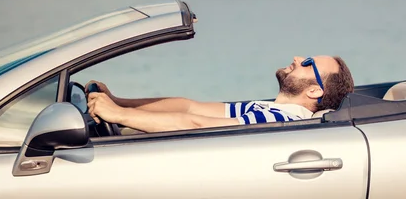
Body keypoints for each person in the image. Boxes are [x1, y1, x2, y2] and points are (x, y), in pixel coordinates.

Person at [86, 55, 354, 133]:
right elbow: (190, 108)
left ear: (315, 90)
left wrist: (118, 114)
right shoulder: (269, 109)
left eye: (308, 63)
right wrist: (118, 101)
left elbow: (194, 125)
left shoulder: (277, 120)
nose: (298, 58)